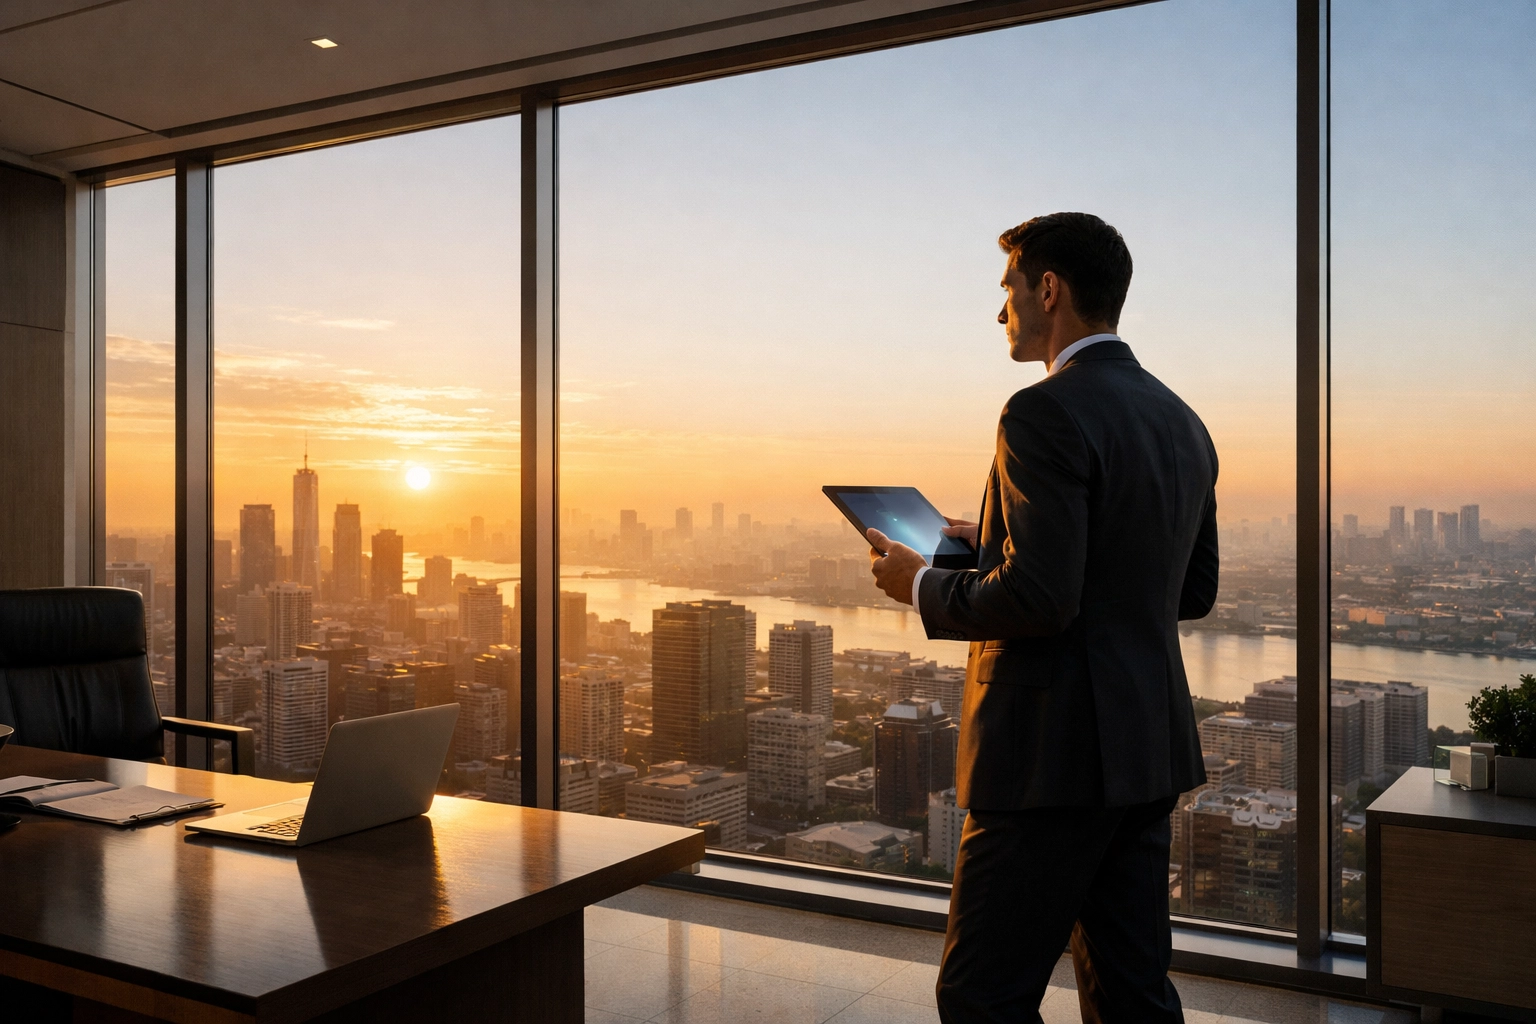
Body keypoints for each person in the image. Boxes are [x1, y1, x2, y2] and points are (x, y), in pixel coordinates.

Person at [867, 212, 1219, 1023]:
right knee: (1130, 993)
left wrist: (922, 583)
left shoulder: (1039, 411)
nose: (1001, 313)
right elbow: (1187, 590)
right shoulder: (1182, 421)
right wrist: (992, 540)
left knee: (982, 996)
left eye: (1009, 290)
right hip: (1145, 751)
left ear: (1049, 289)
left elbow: (1042, 599)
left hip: (1045, 763)